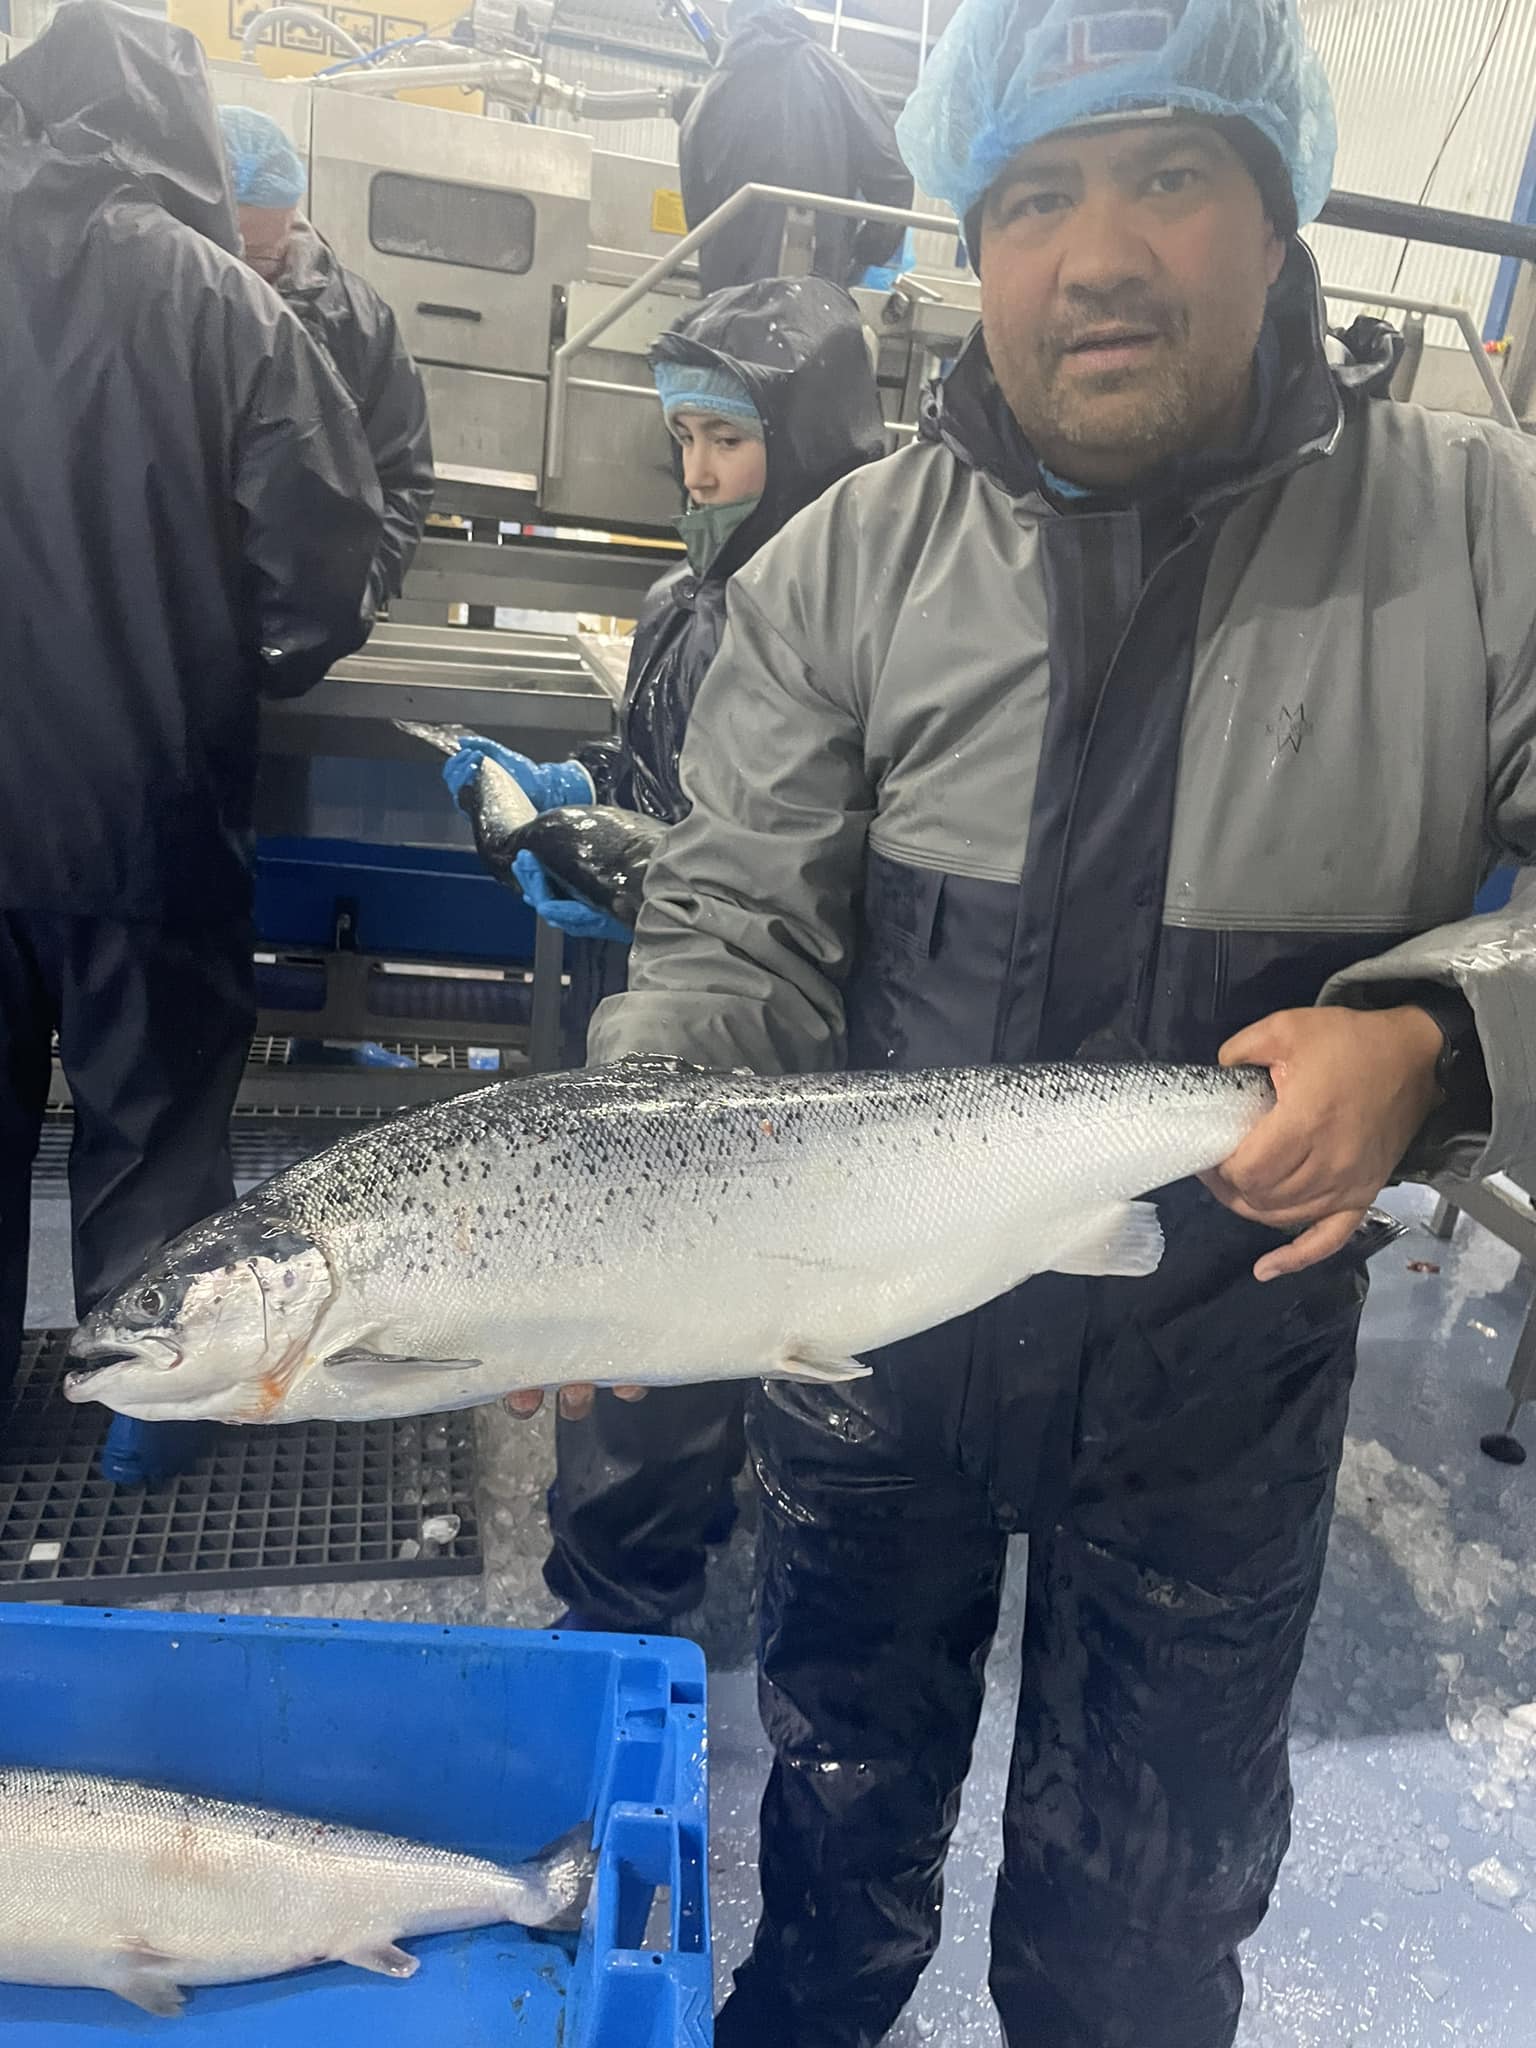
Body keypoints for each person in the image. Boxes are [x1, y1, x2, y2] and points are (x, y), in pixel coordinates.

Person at [531, 0, 1536, 2041]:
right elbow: (730, 937)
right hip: (867, 1365)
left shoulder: (1482, 542)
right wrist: (627, 1222)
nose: (1099, 253)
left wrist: (1447, 1040)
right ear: (968, 246)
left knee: (1136, 1950)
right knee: (823, 1872)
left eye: (1169, 175)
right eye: (1039, 196)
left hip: (1218, 1401)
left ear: (1278, 208)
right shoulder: (844, 571)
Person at [445, 278, 888, 1635]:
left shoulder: (855, 621)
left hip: (772, 1065)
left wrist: (630, 864)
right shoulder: (681, 596)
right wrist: (566, 799)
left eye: (731, 440)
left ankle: (629, 1607)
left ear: (805, 441)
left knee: (681, 1359)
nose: (699, 471)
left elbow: (803, 890)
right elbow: (660, 779)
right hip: (639, 1009)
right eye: (683, 438)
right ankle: (621, 1582)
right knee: (623, 1332)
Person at [0, 4, 382, 1484]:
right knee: (152, 1123)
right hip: (136, 802)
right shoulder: (218, 304)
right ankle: (147, 1430)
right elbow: (325, 566)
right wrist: (234, 664)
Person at [218, 106, 434, 609]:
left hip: (285, 631)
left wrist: (355, 598)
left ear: (292, 217)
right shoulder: (160, 301)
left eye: (261, 257)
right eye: (227, 251)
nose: (245, 274)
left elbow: (401, 477)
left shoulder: (358, 322)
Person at [676, 0, 914, 298]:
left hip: (724, 301)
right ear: (789, 17)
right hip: (811, 289)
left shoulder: (702, 106)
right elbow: (893, 175)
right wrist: (862, 256)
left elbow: (697, 220)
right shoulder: (829, 74)